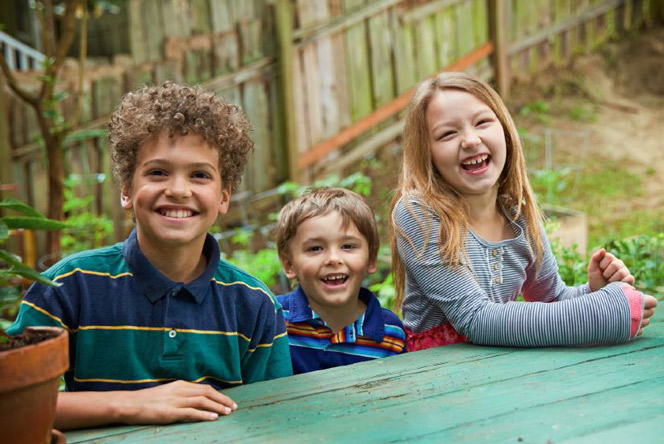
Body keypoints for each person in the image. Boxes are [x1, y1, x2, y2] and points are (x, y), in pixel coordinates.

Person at [8, 82, 292, 429]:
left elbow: (277, 419)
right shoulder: (67, 286)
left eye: (199, 175)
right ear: (127, 190)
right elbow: (13, 407)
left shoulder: (255, 305)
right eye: (158, 172)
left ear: (223, 197)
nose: (177, 190)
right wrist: (131, 404)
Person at [390, 71, 657, 351]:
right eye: (447, 133)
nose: (470, 140)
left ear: (505, 130)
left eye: (482, 122)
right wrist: (604, 312)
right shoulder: (418, 214)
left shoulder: (518, 216)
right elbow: (476, 319)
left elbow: (551, 301)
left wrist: (593, 291)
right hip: (437, 377)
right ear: (426, 153)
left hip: (505, 369)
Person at [275, 187, 406, 374]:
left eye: (348, 246)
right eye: (315, 248)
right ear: (289, 264)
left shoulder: (391, 333)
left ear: (371, 259)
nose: (333, 259)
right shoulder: (274, 321)